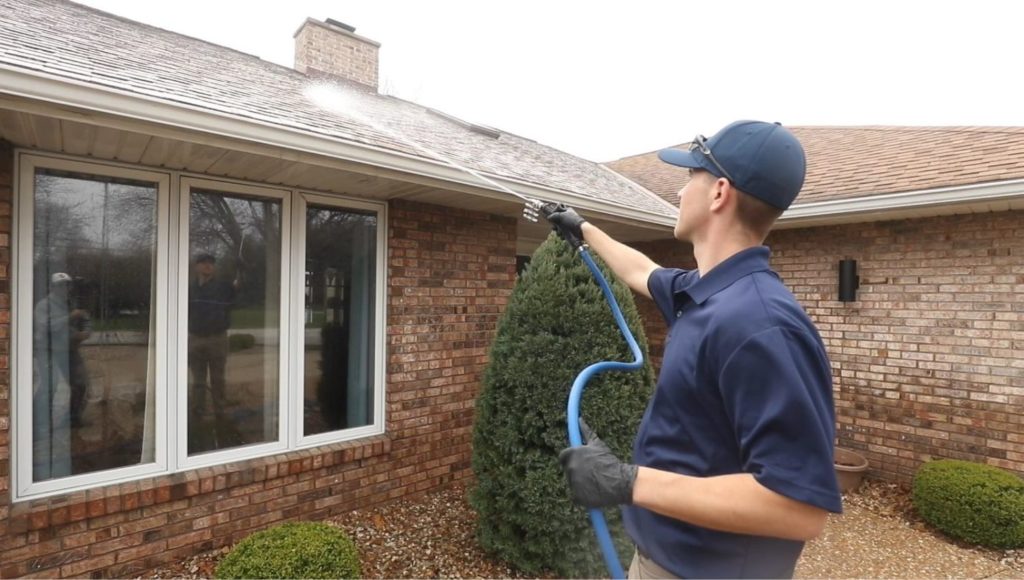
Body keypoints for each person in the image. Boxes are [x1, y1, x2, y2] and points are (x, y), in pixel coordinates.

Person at [544, 120, 842, 578]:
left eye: (690, 178)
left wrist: (626, 481)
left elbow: (798, 509)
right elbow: (641, 271)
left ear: (719, 192)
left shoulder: (760, 325)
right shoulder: (707, 292)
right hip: (664, 559)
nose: (681, 193)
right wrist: (583, 228)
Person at [187, 253, 237, 422]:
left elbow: (239, 286)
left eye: (211, 263)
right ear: (196, 266)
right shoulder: (189, 288)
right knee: (198, 381)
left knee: (218, 379)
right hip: (195, 339)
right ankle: (197, 413)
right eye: (203, 262)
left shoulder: (223, 287)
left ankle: (220, 412)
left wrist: (242, 270)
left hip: (217, 339)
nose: (208, 265)